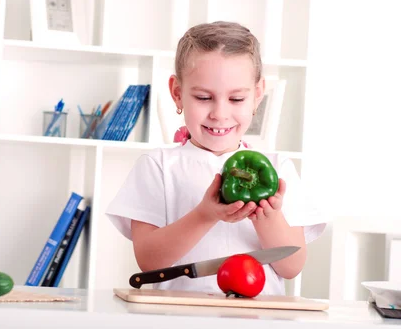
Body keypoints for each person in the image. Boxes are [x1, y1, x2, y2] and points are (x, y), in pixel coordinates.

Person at [105, 21, 329, 296]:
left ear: (258, 95)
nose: (220, 114)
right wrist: (204, 215)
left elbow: (291, 266)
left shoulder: (277, 167)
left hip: (259, 319)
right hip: (177, 317)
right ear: (177, 93)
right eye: (203, 97)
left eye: (236, 99)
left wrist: (266, 216)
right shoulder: (158, 166)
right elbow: (149, 260)